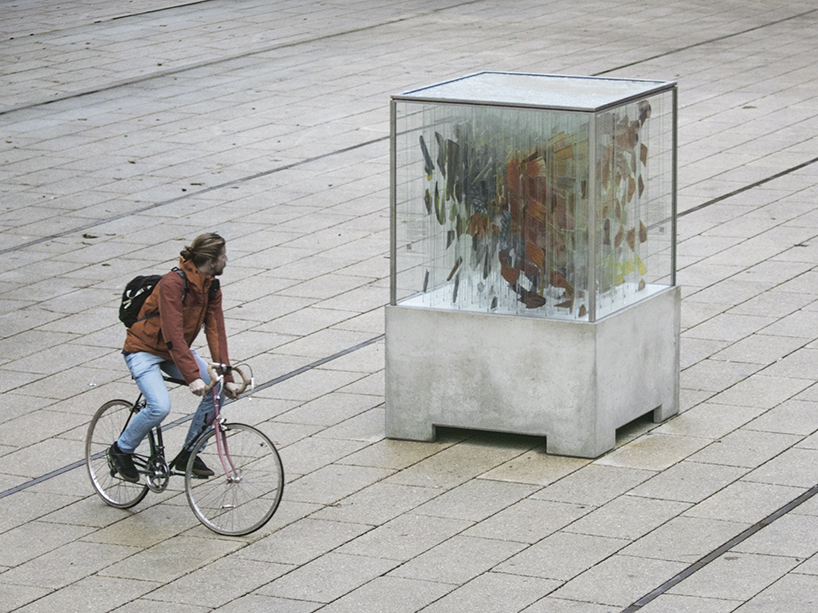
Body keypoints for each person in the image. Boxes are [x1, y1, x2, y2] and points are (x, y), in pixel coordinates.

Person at [108, 232, 240, 482]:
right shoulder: (172, 283)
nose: (226, 260)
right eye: (223, 256)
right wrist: (192, 377)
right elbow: (172, 332)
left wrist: (227, 375)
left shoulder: (210, 285)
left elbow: (216, 330)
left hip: (174, 351)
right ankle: (121, 450)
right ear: (211, 260)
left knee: (218, 388)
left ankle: (189, 454)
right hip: (143, 350)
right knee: (159, 407)